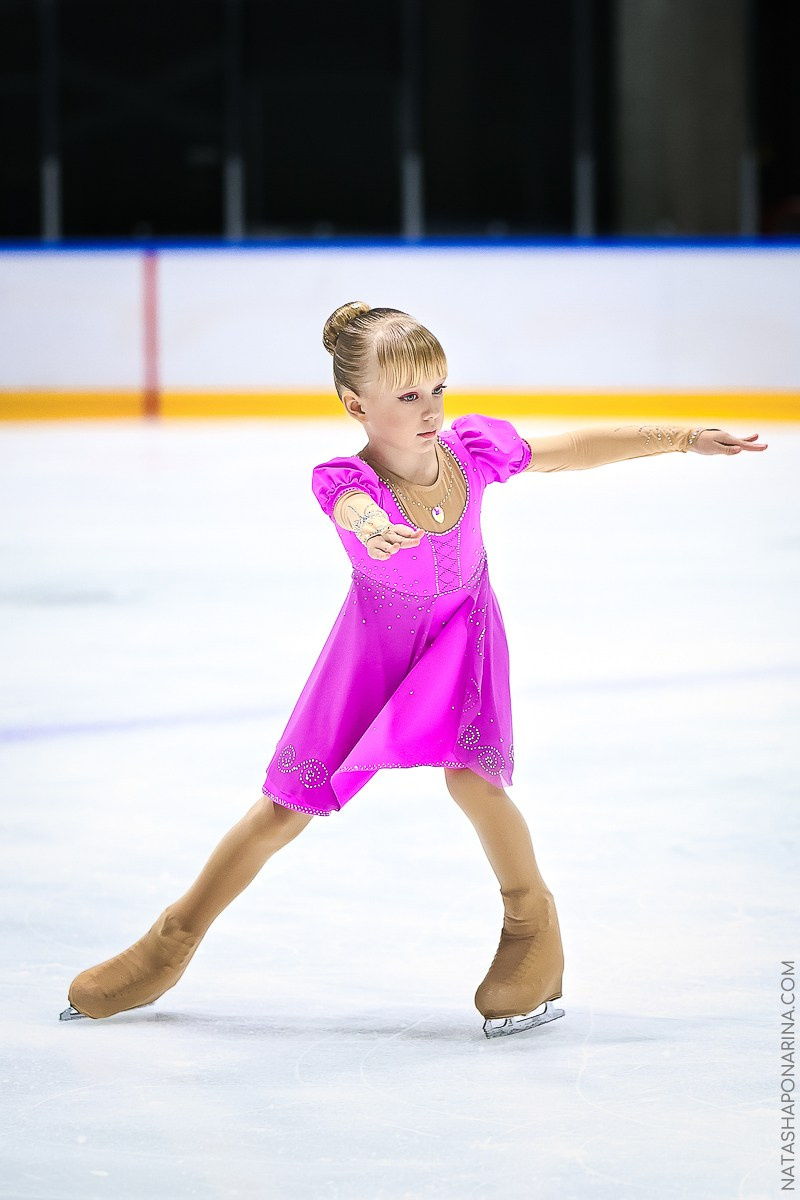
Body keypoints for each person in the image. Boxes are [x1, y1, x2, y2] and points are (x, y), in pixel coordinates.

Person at [60, 301, 767, 1038]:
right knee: (286, 805)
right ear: (355, 404)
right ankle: (171, 941)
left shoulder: (472, 452)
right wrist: (375, 527)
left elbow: (572, 447)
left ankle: (533, 927)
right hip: (372, 651)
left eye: (438, 390)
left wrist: (684, 437)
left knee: (472, 777)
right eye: (407, 396)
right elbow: (353, 513)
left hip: (463, 632)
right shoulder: (345, 479)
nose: (430, 410)